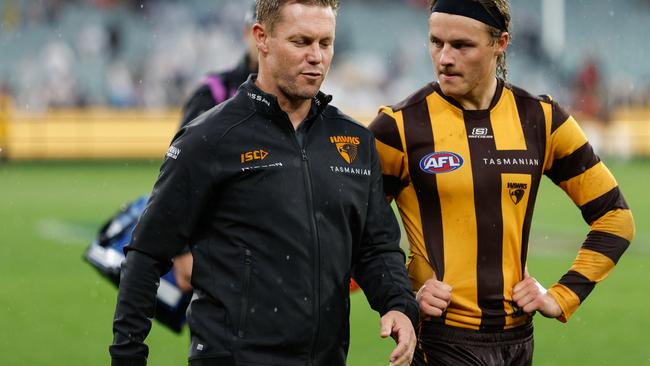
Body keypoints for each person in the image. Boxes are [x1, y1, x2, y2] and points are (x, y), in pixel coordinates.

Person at [109, 1, 418, 365]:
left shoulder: (353, 141)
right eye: (301, 42)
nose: (316, 57)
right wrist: (128, 356)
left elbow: (376, 247)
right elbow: (146, 255)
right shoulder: (209, 139)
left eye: (325, 42)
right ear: (262, 38)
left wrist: (397, 304)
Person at [368, 0, 635, 364]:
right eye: (435, 42)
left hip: (518, 342)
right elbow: (355, 231)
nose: (444, 57)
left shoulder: (542, 120)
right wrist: (403, 296)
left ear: (501, 43)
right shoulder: (397, 127)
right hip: (439, 341)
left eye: (461, 45)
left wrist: (562, 294)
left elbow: (616, 217)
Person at [172, 2, 259, 293]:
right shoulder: (214, 91)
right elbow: (180, 171)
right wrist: (183, 248)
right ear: (249, 33)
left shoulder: (302, 98)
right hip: (219, 244)